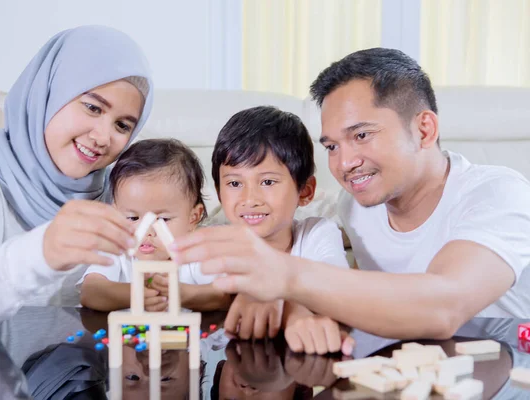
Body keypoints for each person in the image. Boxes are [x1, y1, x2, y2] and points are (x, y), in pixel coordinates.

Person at [171, 48, 530, 339]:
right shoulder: (356, 206)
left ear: (424, 130)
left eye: (361, 135)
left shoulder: (499, 194)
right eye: (331, 146)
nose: (344, 164)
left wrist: (285, 277)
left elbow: (444, 306)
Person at [0, 25, 154, 331]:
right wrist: (43, 250)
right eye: (92, 107)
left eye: (122, 125)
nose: (103, 137)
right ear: (47, 94)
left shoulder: (122, 191)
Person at [210, 106, 352, 354]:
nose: (249, 198)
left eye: (267, 182)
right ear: (219, 191)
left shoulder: (316, 234)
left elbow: (338, 289)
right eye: (234, 183)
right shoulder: (212, 245)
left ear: (305, 190)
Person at [78, 138, 231, 312]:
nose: (148, 232)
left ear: (193, 218)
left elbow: (223, 295)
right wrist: (135, 294)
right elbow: (90, 291)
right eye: (132, 218)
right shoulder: (117, 251)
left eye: (163, 220)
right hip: (128, 337)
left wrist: (186, 294)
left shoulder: (197, 254)